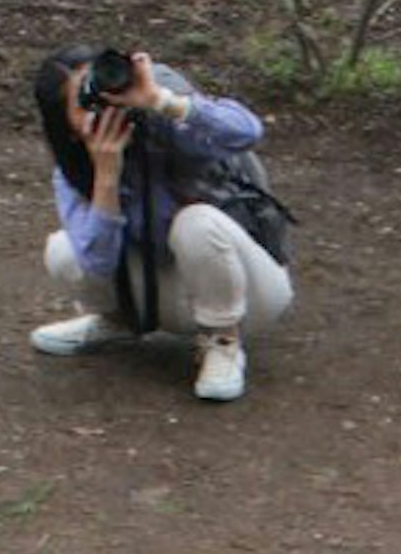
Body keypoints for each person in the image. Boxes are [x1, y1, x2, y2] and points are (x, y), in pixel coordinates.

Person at [27, 44, 295, 402]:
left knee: (196, 223)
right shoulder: (74, 172)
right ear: (67, 126)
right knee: (64, 250)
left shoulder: (164, 124)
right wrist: (107, 176)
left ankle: (222, 340)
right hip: (160, 295)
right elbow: (98, 265)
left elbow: (246, 132)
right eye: (85, 102)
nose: (105, 105)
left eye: (103, 88)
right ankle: (120, 321)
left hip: (248, 289)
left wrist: (161, 100)